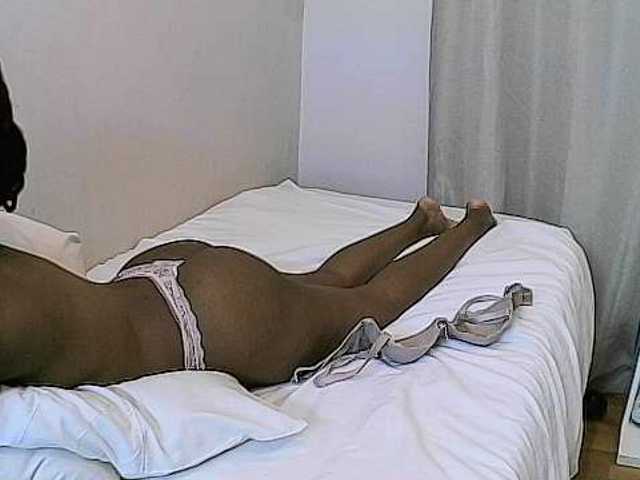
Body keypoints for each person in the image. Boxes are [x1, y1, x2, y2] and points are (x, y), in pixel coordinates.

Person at [0, 62, 496, 389]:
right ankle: (420, 222)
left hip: (208, 326)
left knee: (373, 304)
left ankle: (472, 226)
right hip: (160, 278)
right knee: (324, 282)